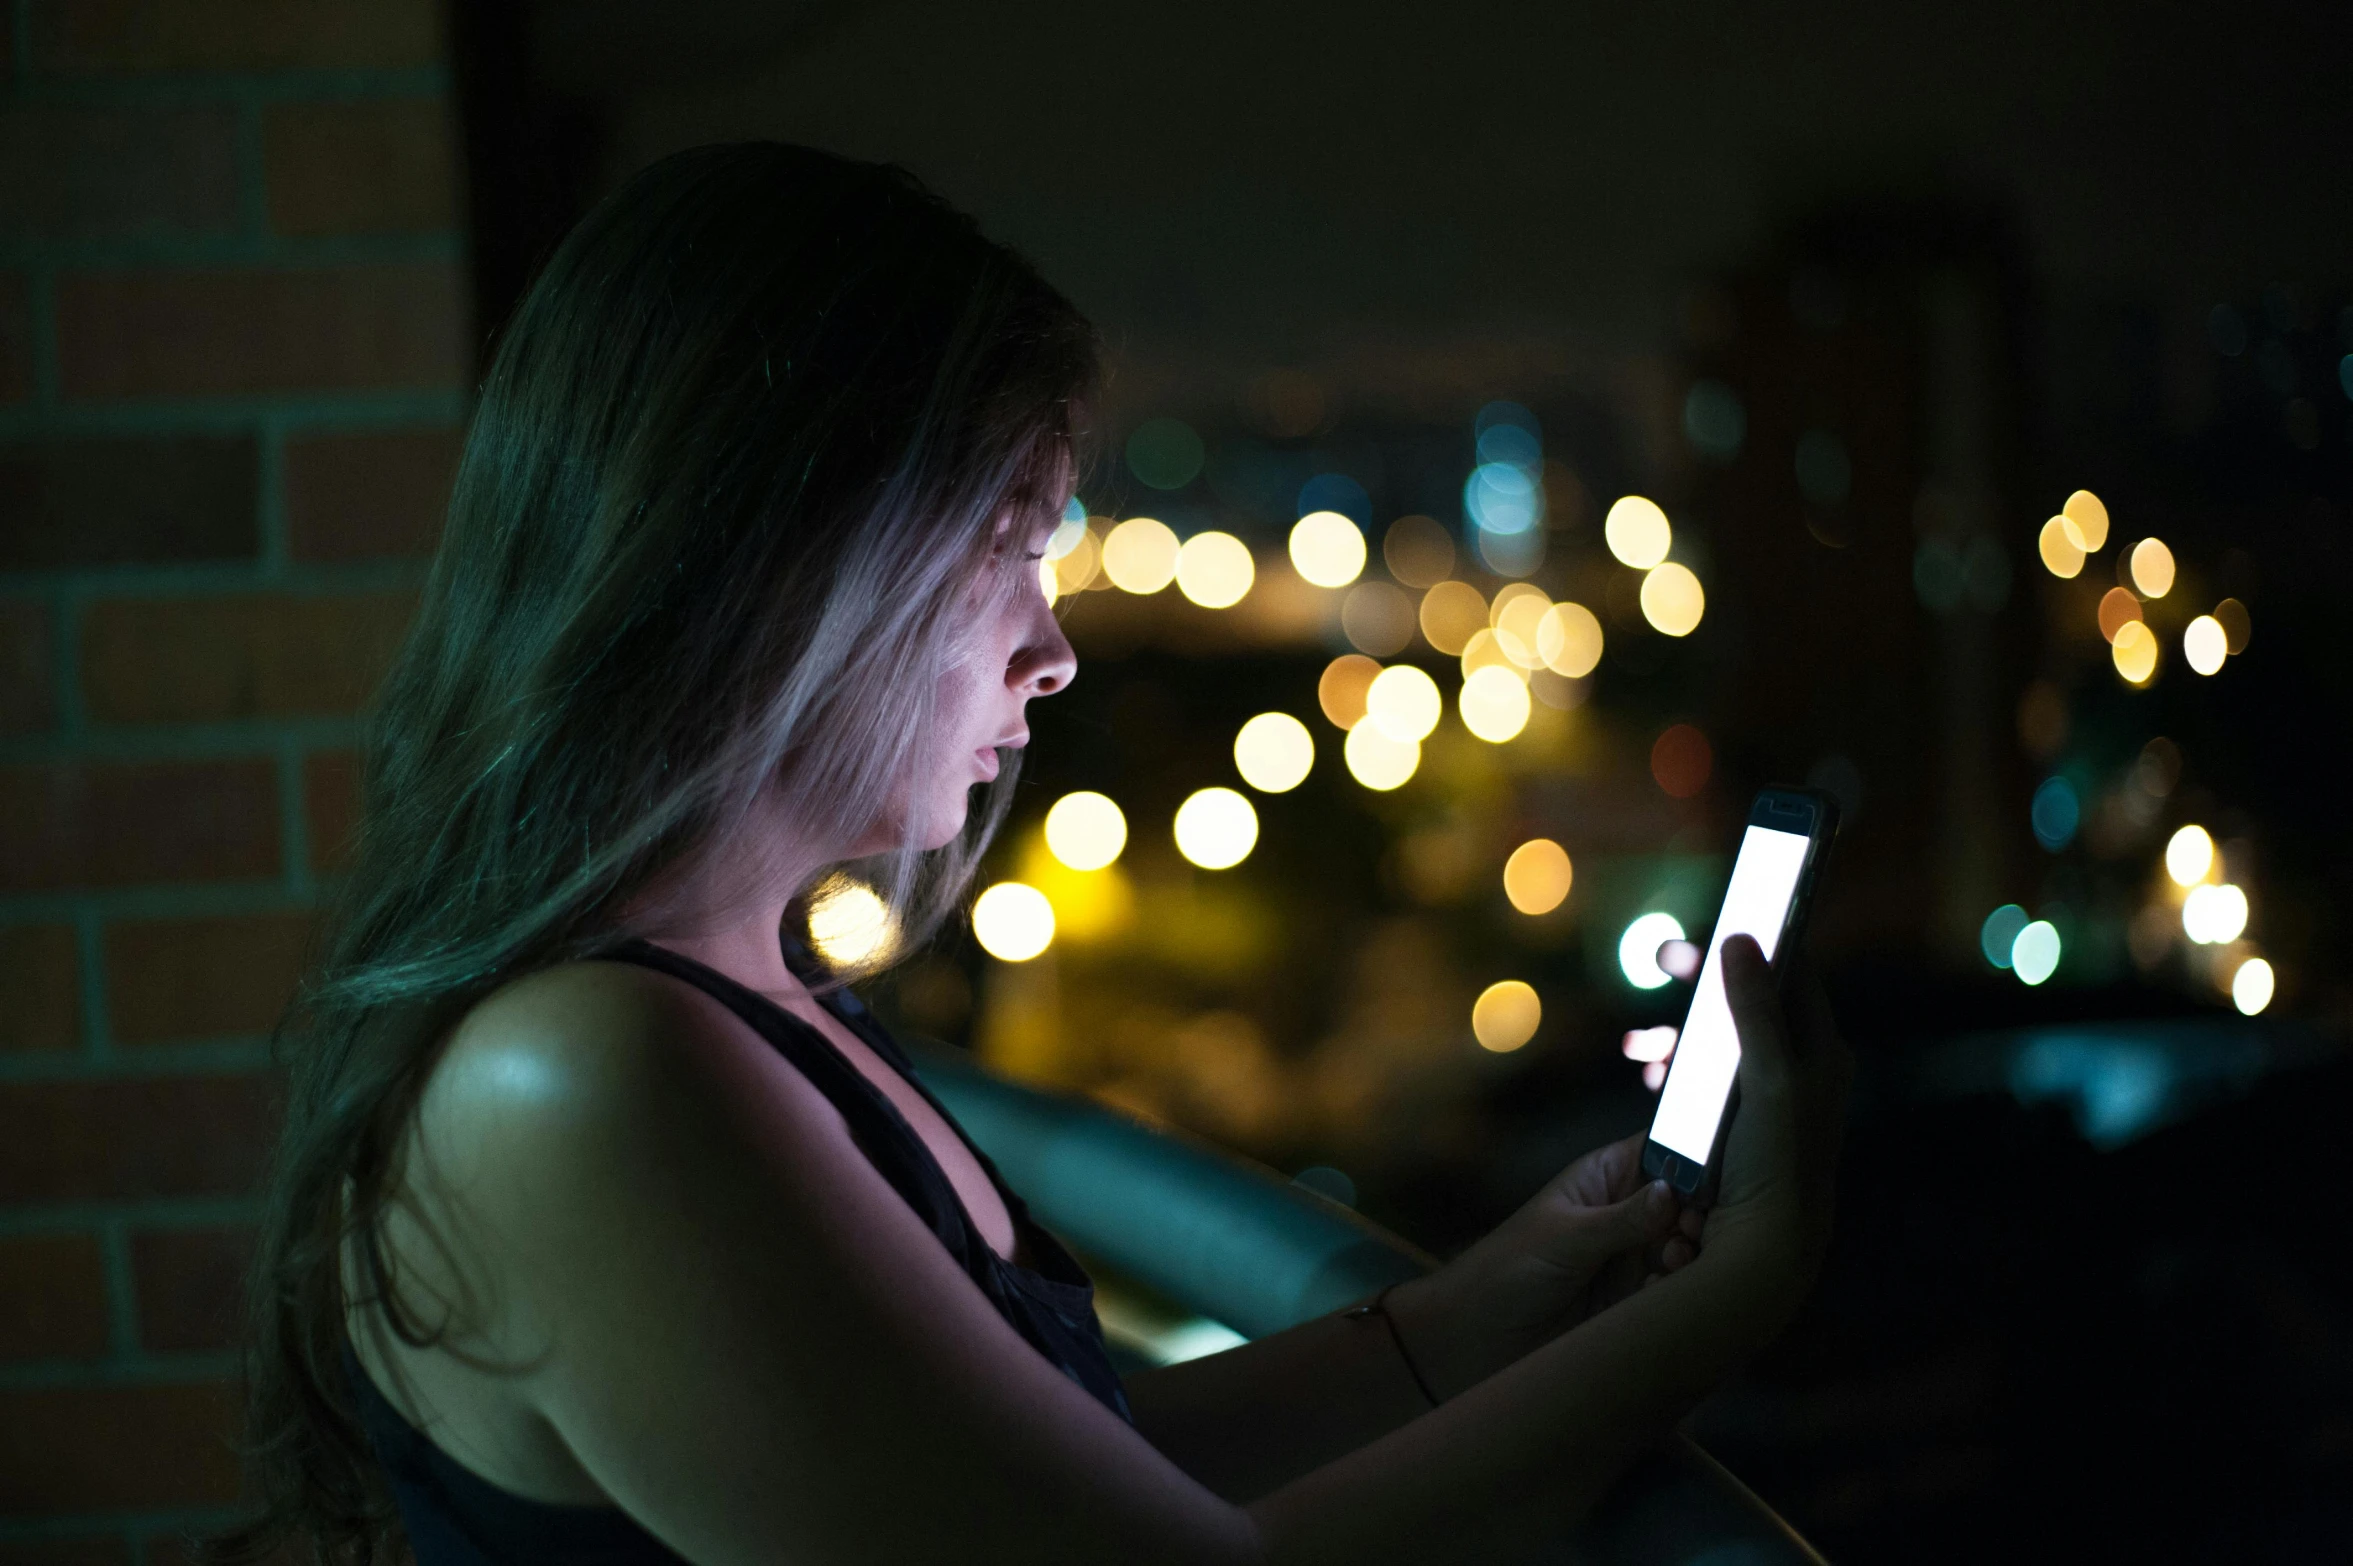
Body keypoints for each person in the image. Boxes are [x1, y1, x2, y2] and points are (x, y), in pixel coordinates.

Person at [215, 142, 1849, 1566]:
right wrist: (1738, 1292)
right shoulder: (580, 1085)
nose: (1053, 650)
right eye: (1005, 546)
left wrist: (1494, 1298)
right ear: (792, 564)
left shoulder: (723, 1005)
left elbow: (1042, 1477)